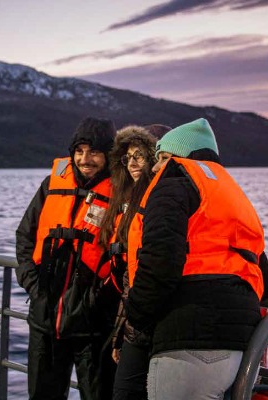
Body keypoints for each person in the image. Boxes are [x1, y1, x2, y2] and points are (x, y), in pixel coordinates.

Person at [125, 118, 268, 400]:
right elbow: (267, 282)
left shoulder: (173, 184)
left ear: (178, 157)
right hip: (242, 345)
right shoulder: (230, 194)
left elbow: (159, 263)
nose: (156, 167)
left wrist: (136, 316)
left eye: (163, 157)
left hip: (189, 338)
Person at [15, 116, 119, 400]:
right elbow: (25, 235)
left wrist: (98, 299)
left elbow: (126, 256)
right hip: (45, 318)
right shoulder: (52, 185)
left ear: (109, 155)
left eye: (95, 151)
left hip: (94, 325)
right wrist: (32, 285)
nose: (85, 159)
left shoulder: (122, 192)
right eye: (80, 150)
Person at [97, 124, 168, 400]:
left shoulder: (162, 202)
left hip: (149, 324)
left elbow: (146, 273)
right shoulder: (127, 202)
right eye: (127, 157)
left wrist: (125, 334)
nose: (133, 163)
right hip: (131, 319)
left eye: (140, 155)